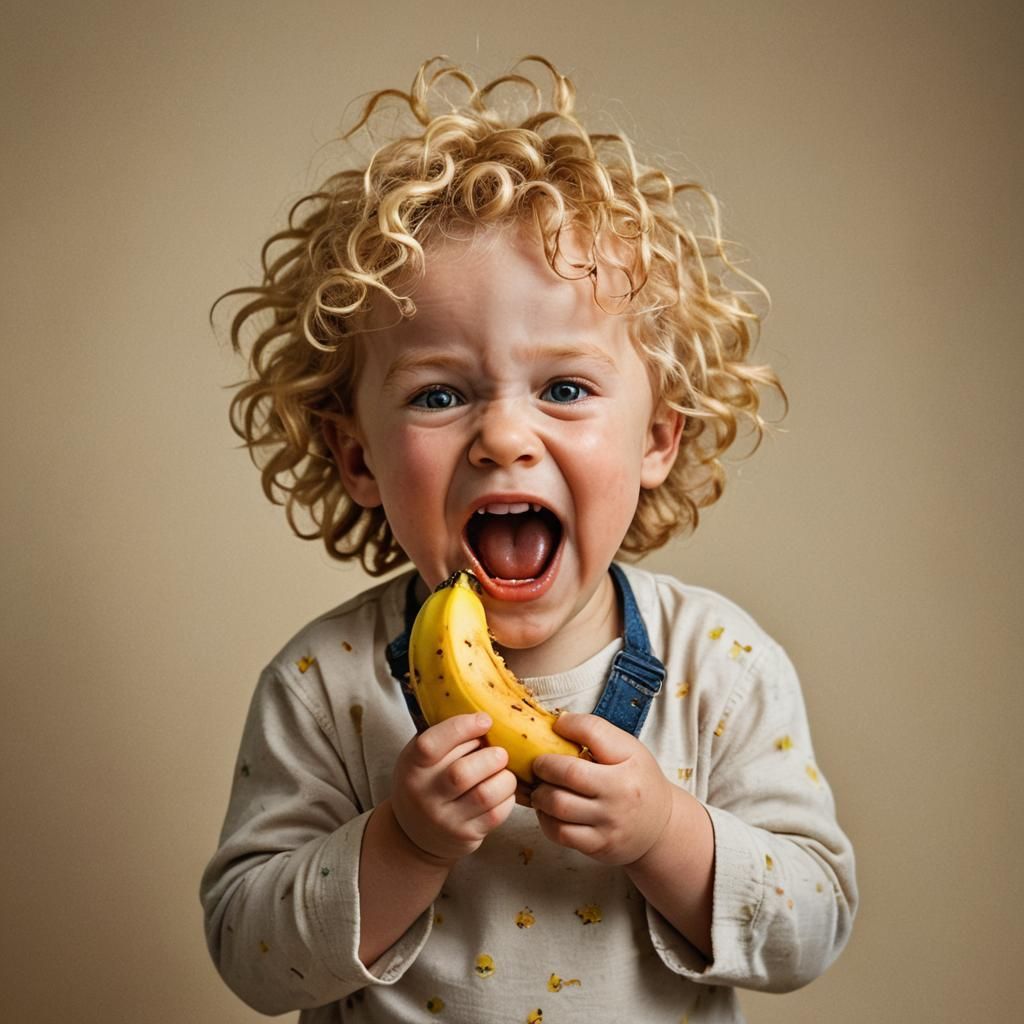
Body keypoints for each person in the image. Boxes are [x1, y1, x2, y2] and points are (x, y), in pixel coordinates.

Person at [200, 56, 857, 1023]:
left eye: (565, 388)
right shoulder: (325, 685)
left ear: (658, 439)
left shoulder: (720, 666)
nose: (505, 437)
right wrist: (401, 847)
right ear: (357, 459)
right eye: (439, 394)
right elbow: (248, 955)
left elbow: (814, 927)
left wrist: (666, 829)